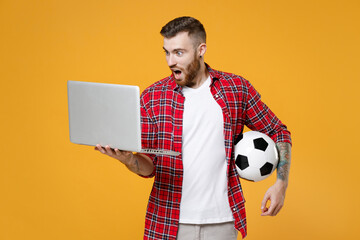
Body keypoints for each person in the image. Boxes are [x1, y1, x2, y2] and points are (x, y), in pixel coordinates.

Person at [95, 16, 292, 240]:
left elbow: (278, 131)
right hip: (168, 223)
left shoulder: (236, 89)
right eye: (166, 52)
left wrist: (281, 184)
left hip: (222, 222)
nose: (170, 61)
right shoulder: (153, 98)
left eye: (179, 52)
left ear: (201, 49)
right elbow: (149, 167)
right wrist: (128, 160)